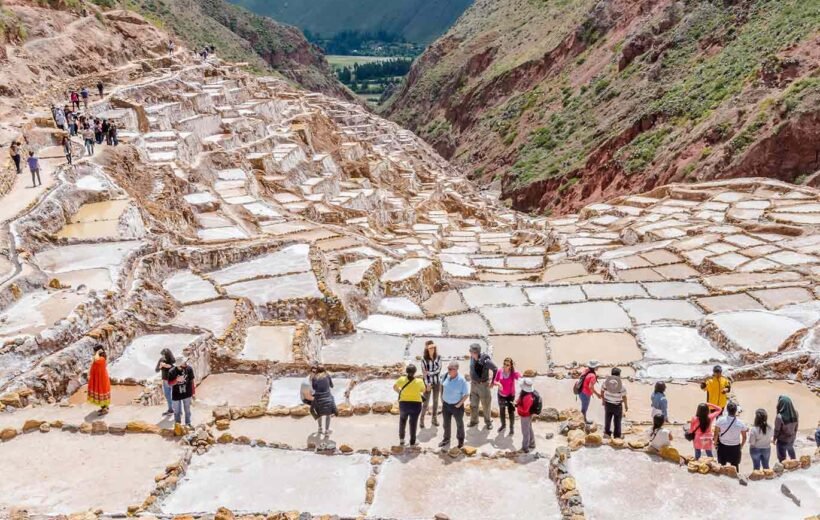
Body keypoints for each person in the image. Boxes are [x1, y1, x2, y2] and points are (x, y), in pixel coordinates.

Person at [394, 364, 427, 446]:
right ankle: (412, 441)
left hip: (404, 404)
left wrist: (400, 392)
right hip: (416, 405)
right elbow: (423, 390)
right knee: (413, 423)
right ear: (415, 372)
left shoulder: (401, 379)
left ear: (406, 371)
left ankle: (402, 440)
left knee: (402, 421)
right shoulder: (419, 381)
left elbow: (395, 387)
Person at [439, 360, 469, 449]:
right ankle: (446, 439)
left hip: (457, 406)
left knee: (459, 424)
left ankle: (460, 441)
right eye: (448, 368)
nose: (448, 370)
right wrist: (441, 398)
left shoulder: (462, 380)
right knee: (446, 424)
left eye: (450, 369)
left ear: (456, 369)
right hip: (446, 405)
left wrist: (459, 404)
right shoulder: (445, 376)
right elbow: (442, 386)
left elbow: (466, 394)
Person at [468, 343, 497, 429]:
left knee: (486, 405)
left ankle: (488, 422)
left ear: (476, 352)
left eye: (471, 351)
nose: (469, 352)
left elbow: (495, 369)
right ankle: (474, 421)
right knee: (473, 404)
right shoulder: (472, 358)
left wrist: (492, 382)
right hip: (473, 385)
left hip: (483, 386)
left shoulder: (485, 360)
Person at [714, 401, 747, 470]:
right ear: (736, 411)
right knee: (735, 466)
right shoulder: (741, 423)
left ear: (727, 410)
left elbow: (716, 433)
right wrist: (741, 446)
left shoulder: (720, 420)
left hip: (722, 446)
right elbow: (744, 437)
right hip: (735, 447)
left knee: (722, 466)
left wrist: (715, 443)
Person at [494, 357, 520, 434]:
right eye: (504, 364)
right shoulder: (499, 371)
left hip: (510, 395)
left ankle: (511, 428)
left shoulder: (513, 373)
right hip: (501, 395)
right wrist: (498, 383)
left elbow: (520, 378)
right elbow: (495, 381)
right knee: (502, 411)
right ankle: (503, 425)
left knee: (511, 412)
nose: (505, 366)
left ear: (511, 366)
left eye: (507, 365)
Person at [308, 364, 336, 434]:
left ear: (317, 370)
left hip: (318, 398)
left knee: (317, 413)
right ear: (324, 370)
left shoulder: (314, 378)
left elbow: (314, 388)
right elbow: (332, 386)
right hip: (327, 397)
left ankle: (320, 428)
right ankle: (327, 430)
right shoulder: (327, 376)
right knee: (328, 414)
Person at [168, 358, 195, 427]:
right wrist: (176, 380)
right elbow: (170, 383)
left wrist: (193, 393)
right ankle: (178, 425)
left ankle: (188, 424)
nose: (186, 363)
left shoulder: (189, 369)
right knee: (176, 412)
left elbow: (192, 381)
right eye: (184, 363)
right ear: (179, 365)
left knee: (187, 410)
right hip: (176, 394)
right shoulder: (172, 371)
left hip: (187, 393)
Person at [601, 367, 628, 439]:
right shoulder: (622, 385)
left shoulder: (605, 382)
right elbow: (624, 397)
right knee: (617, 421)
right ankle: (617, 435)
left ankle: (607, 433)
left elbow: (602, 391)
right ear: (619, 375)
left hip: (607, 404)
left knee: (607, 419)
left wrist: (603, 400)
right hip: (617, 405)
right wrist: (626, 406)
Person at [420, 340, 441, 428]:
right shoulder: (423, 359)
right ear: (427, 349)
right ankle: (421, 419)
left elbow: (439, 369)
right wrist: (428, 384)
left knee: (436, 401)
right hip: (427, 384)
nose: (432, 349)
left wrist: (429, 373)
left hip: (437, 382)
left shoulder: (438, 357)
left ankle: (434, 418)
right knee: (426, 402)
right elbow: (424, 374)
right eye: (430, 348)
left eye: (433, 347)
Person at [774, 395, 799, 462]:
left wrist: (774, 439)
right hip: (792, 437)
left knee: (782, 458)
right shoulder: (795, 413)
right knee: (791, 450)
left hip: (782, 439)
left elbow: (777, 430)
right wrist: (794, 434)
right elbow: (797, 426)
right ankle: (795, 463)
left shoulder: (779, 417)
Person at [87, 346, 111, 415]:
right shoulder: (101, 358)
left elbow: (95, 359)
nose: (94, 353)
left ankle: (105, 409)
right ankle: (105, 407)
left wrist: (97, 352)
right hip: (99, 378)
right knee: (101, 392)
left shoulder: (101, 359)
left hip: (101, 379)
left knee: (101, 391)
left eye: (95, 351)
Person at [515, 377, 537, 452]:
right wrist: (517, 402)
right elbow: (520, 400)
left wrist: (517, 406)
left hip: (526, 415)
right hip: (528, 414)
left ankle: (525, 448)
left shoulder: (528, 397)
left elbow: (525, 409)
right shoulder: (525, 393)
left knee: (525, 431)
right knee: (529, 428)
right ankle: (532, 443)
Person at [154, 348, 176, 416]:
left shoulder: (172, 360)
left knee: (174, 395)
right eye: (162, 355)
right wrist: (160, 366)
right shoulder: (161, 360)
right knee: (167, 395)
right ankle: (171, 409)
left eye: (164, 355)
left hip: (172, 380)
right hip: (165, 380)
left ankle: (176, 409)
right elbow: (156, 370)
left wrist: (170, 366)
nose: (163, 356)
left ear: (168, 355)